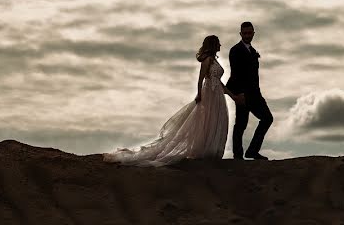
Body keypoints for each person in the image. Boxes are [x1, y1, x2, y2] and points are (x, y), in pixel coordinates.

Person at [103, 35, 243, 166]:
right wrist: (199, 95)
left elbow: (219, 83)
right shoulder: (207, 60)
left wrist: (232, 96)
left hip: (217, 95)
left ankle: (211, 152)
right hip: (209, 95)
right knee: (205, 121)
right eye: (218, 43)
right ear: (213, 45)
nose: (220, 45)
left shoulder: (215, 60)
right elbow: (201, 79)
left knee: (215, 121)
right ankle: (204, 152)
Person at [227, 21, 273, 160]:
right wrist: (238, 94)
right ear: (240, 34)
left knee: (267, 118)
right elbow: (236, 73)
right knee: (241, 124)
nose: (247, 35)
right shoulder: (235, 50)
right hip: (242, 94)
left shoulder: (253, 51)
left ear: (253, 33)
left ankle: (252, 151)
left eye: (249, 32)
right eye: (245, 33)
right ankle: (238, 154)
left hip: (255, 93)